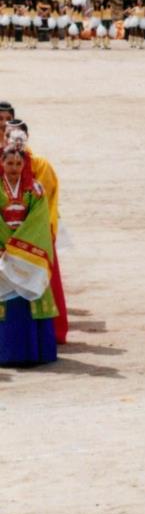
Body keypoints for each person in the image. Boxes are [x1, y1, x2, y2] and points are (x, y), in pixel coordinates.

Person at [0, 143, 58, 365]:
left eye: (18, 163)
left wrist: (17, 247)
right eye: (9, 163)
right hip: (2, 251)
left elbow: (39, 221)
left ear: (25, 165)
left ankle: (34, 352)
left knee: (30, 293)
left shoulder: (35, 189)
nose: (13, 168)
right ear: (1, 163)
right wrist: (6, 243)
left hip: (27, 254)